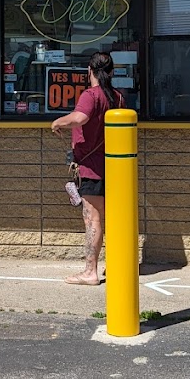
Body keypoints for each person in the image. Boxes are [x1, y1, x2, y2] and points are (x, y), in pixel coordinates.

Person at [50, 50, 124, 286]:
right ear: (112, 72)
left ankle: (90, 271)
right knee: (112, 217)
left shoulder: (90, 95)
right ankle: (117, 264)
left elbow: (80, 118)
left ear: (89, 71)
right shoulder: (117, 97)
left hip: (91, 168)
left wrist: (58, 122)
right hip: (114, 167)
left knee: (92, 219)